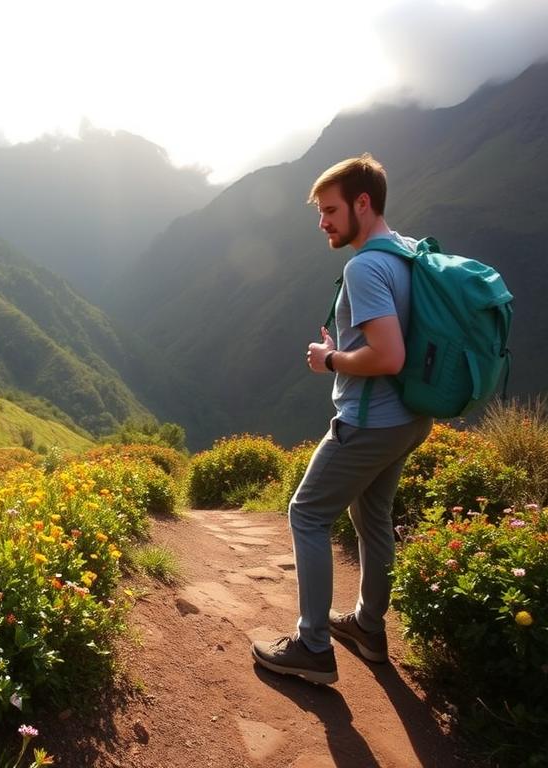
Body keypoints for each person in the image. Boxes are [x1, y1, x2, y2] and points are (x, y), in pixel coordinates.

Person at [251, 153, 433, 684]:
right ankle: (369, 630)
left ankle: (312, 648)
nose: (322, 222)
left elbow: (390, 357)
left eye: (330, 210)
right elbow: (386, 338)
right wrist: (346, 345)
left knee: (306, 513)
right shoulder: (407, 252)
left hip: (368, 422)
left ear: (362, 203)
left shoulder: (364, 266)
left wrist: (329, 359)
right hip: (409, 418)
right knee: (371, 518)